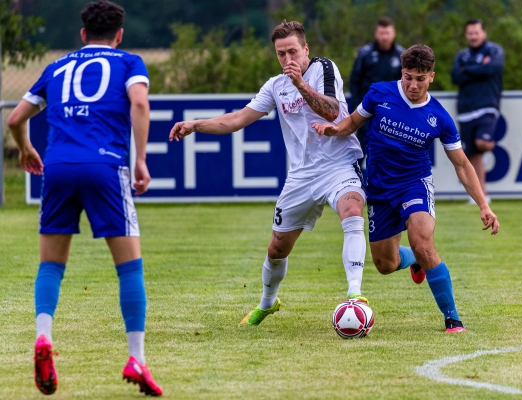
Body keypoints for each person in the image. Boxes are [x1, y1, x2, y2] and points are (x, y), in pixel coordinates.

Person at [7, 1, 162, 396]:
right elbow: (140, 103)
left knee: (51, 264)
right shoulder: (129, 63)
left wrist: (25, 149)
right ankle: (137, 358)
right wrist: (141, 158)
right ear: (120, 34)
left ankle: (43, 337)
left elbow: (14, 119)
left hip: (57, 166)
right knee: (129, 267)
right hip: (106, 167)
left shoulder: (56, 68)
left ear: (82, 35)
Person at [169, 20, 368, 327]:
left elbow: (330, 111)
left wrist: (301, 83)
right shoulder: (275, 86)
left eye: (292, 52)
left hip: (338, 164)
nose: (288, 60)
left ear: (306, 49)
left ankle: (354, 296)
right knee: (277, 248)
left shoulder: (324, 69)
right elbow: (237, 119)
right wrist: (196, 124)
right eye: (280, 54)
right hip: (301, 176)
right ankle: (267, 303)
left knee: (352, 209)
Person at [313, 44, 500, 333]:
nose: (412, 84)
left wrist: (484, 205)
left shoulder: (439, 117)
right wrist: (334, 130)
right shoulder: (379, 93)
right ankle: (413, 260)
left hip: (415, 184)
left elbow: (462, 165)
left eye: (420, 78)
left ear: (432, 77)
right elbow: (353, 123)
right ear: (402, 72)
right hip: (379, 188)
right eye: (408, 76)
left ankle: (452, 318)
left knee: (423, 243)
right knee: (385, 264)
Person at [451, 19, 504, 204]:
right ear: (466, 35)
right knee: (472, 155)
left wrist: (468, 70)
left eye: (476, 33)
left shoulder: (494, 51)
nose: (473, 36)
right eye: (470, 33)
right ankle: (482, 195)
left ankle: (490, 145)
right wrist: (479, 69)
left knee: (482, 143)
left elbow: (492, 69)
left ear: (484, 33)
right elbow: (455, 76)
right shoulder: (462, 55)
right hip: (466, 109)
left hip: (487, 105)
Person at [350, 16, 405, 167]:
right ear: (376, 33)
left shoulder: (402, 55)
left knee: (389, 153)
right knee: (361, 150)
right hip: (367, 111)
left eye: (387, 33)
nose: (384, 37)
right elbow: (354, 80)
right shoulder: (365, 54)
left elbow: (407, 84)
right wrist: (357, 106)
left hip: (392, 112)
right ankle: (352, 186)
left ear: (393, 33)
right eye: (381, 33)